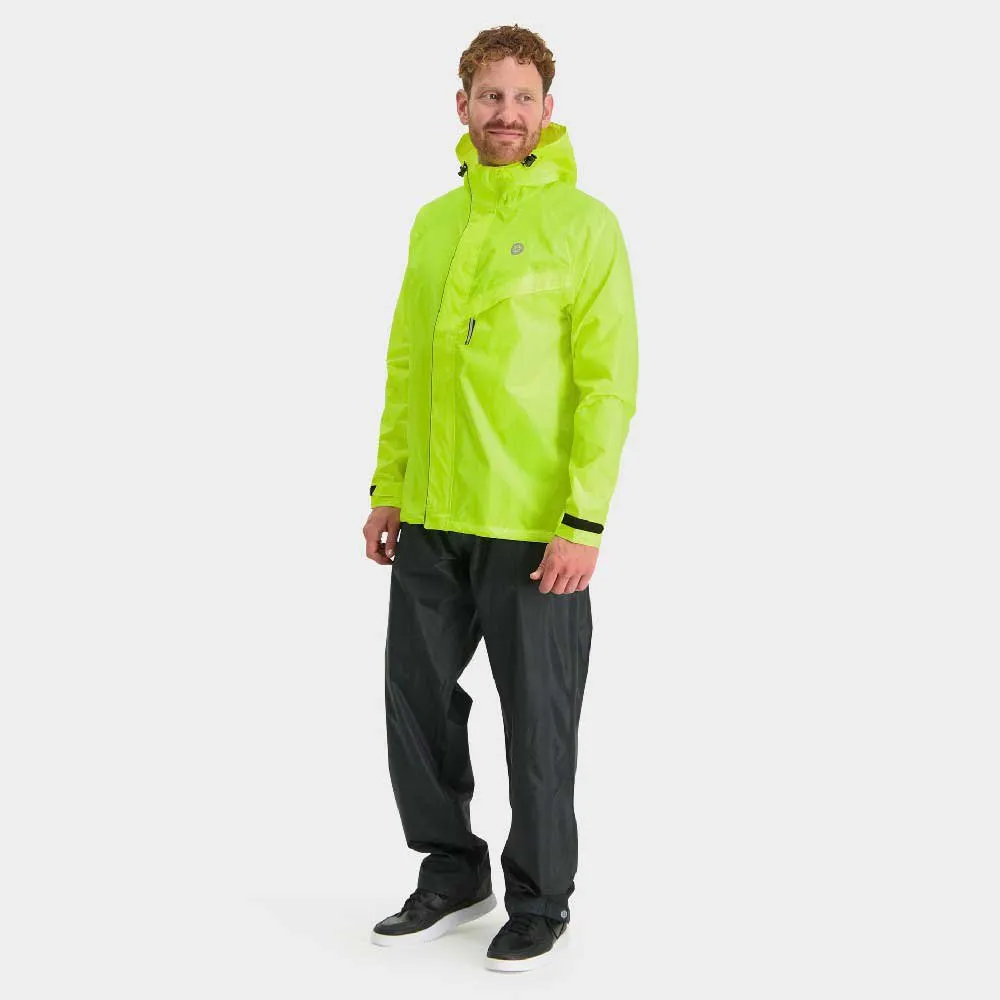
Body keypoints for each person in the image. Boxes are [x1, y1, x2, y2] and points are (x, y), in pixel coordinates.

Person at [363, 24, 638, 972]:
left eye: (523, 98)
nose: (506, 114)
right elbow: (408, 364)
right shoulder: (434, 223)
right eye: (490, 96)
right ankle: (451, 871)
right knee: (414, 703)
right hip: (432, 519)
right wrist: (389, 487)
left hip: (532, 527)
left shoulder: (586, 226)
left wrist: (582, 521)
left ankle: (540, 898)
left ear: (548, 110)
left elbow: (608, 386)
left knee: (538, 723)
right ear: (463, 105)